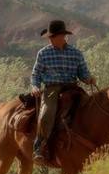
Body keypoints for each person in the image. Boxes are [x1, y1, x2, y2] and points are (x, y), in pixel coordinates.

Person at [30, 20, 95, 165]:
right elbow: (36, 74)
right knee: (47, 113)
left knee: (91, 108)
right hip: (52, 89)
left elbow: (83, 74)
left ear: (63, 36)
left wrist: (89, 79)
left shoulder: (76, 53)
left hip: (72, 88)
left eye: (53, 36)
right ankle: (39, 148)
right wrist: (35, 86)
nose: (51, 39)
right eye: (50, 37)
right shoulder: (43, 54)